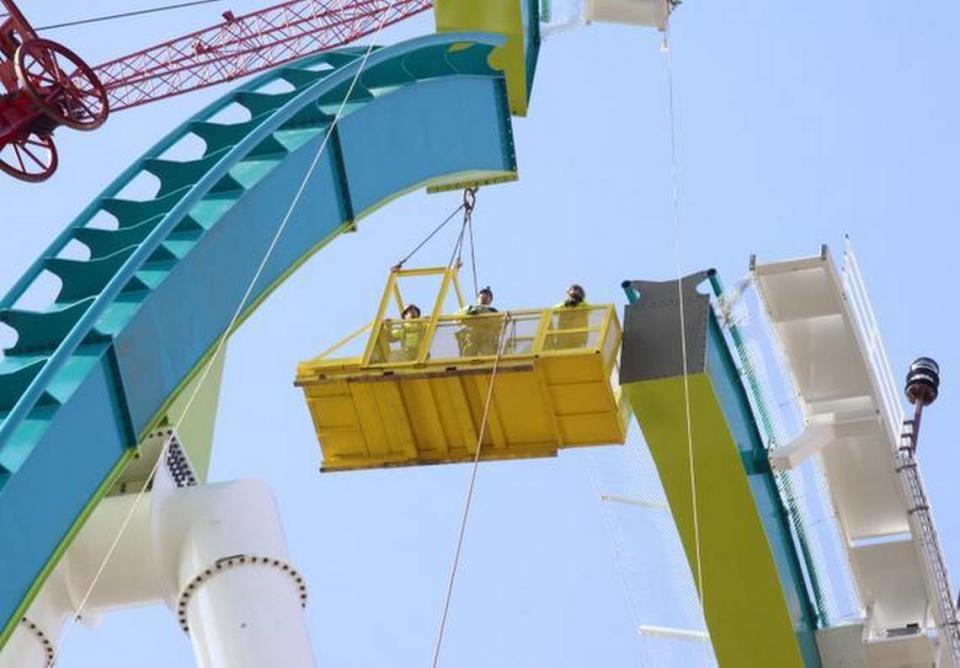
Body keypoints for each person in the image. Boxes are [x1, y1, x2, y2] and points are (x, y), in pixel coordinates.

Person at [456, 287, 501, 356]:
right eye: (483, 293)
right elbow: (457, 318)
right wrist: (471, 313)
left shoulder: (493, 311)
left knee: (487, 352)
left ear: (490, 300)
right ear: (477, 297)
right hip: (471, 335)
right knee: (468, 352)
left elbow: (500, 325)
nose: (485, 295)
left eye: (488, 295)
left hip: (487, 335)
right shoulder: (469, 308)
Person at [551, 284, 590, 349]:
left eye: (578, 291)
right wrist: (566, 304)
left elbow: (590, 309)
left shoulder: (584, 305)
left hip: (578, 335)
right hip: (563, 334)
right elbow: (553, 311)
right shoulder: (564, 304)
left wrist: (579, 303)